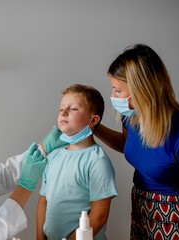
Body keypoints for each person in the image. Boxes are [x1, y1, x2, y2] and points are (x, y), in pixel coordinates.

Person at [94, 44, 179, 239]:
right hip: (142, 208)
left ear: (142, 90)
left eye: (118, 90)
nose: (113, 97)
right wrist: (94, 129)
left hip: (176, 217)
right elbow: (128, 145)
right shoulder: (130, 117)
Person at [36, 84, 118, 240]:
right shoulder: (53, 157)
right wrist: (40, 237)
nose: (64, 113)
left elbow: (99, 215)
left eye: (73, 108)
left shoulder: (97, 161)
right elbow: (43, 201)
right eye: (61, 109)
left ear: (93, 120)